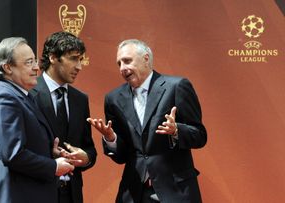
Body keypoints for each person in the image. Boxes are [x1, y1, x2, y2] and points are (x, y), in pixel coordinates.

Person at [87, 39, 207, 203]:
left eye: (127, 61)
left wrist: (176, 130)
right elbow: (121, 156)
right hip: (134, 193)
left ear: (145, 59)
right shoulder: (113, 99)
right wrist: (111, 139)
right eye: (119, 63)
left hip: (174, 191)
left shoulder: (176, 86)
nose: (122, 68)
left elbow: (200, 136)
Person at [0, 37, 75, 203]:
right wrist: (54, 166)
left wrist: (50, 153)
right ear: (7, 67)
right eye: (29, 62)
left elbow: (22, 145)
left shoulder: (21, 96)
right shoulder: (4, 99)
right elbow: (13, 155)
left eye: (35, 61)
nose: (37, 68)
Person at [29, 31, 97, 203]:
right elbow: (20, 150)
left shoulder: (80, 99)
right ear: (53, 57)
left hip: (72, 195)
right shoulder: (28, 95)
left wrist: (86, 158)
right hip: (38, 192)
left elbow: (89, 149)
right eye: (74, 58)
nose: (79, 66)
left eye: (80, 59)